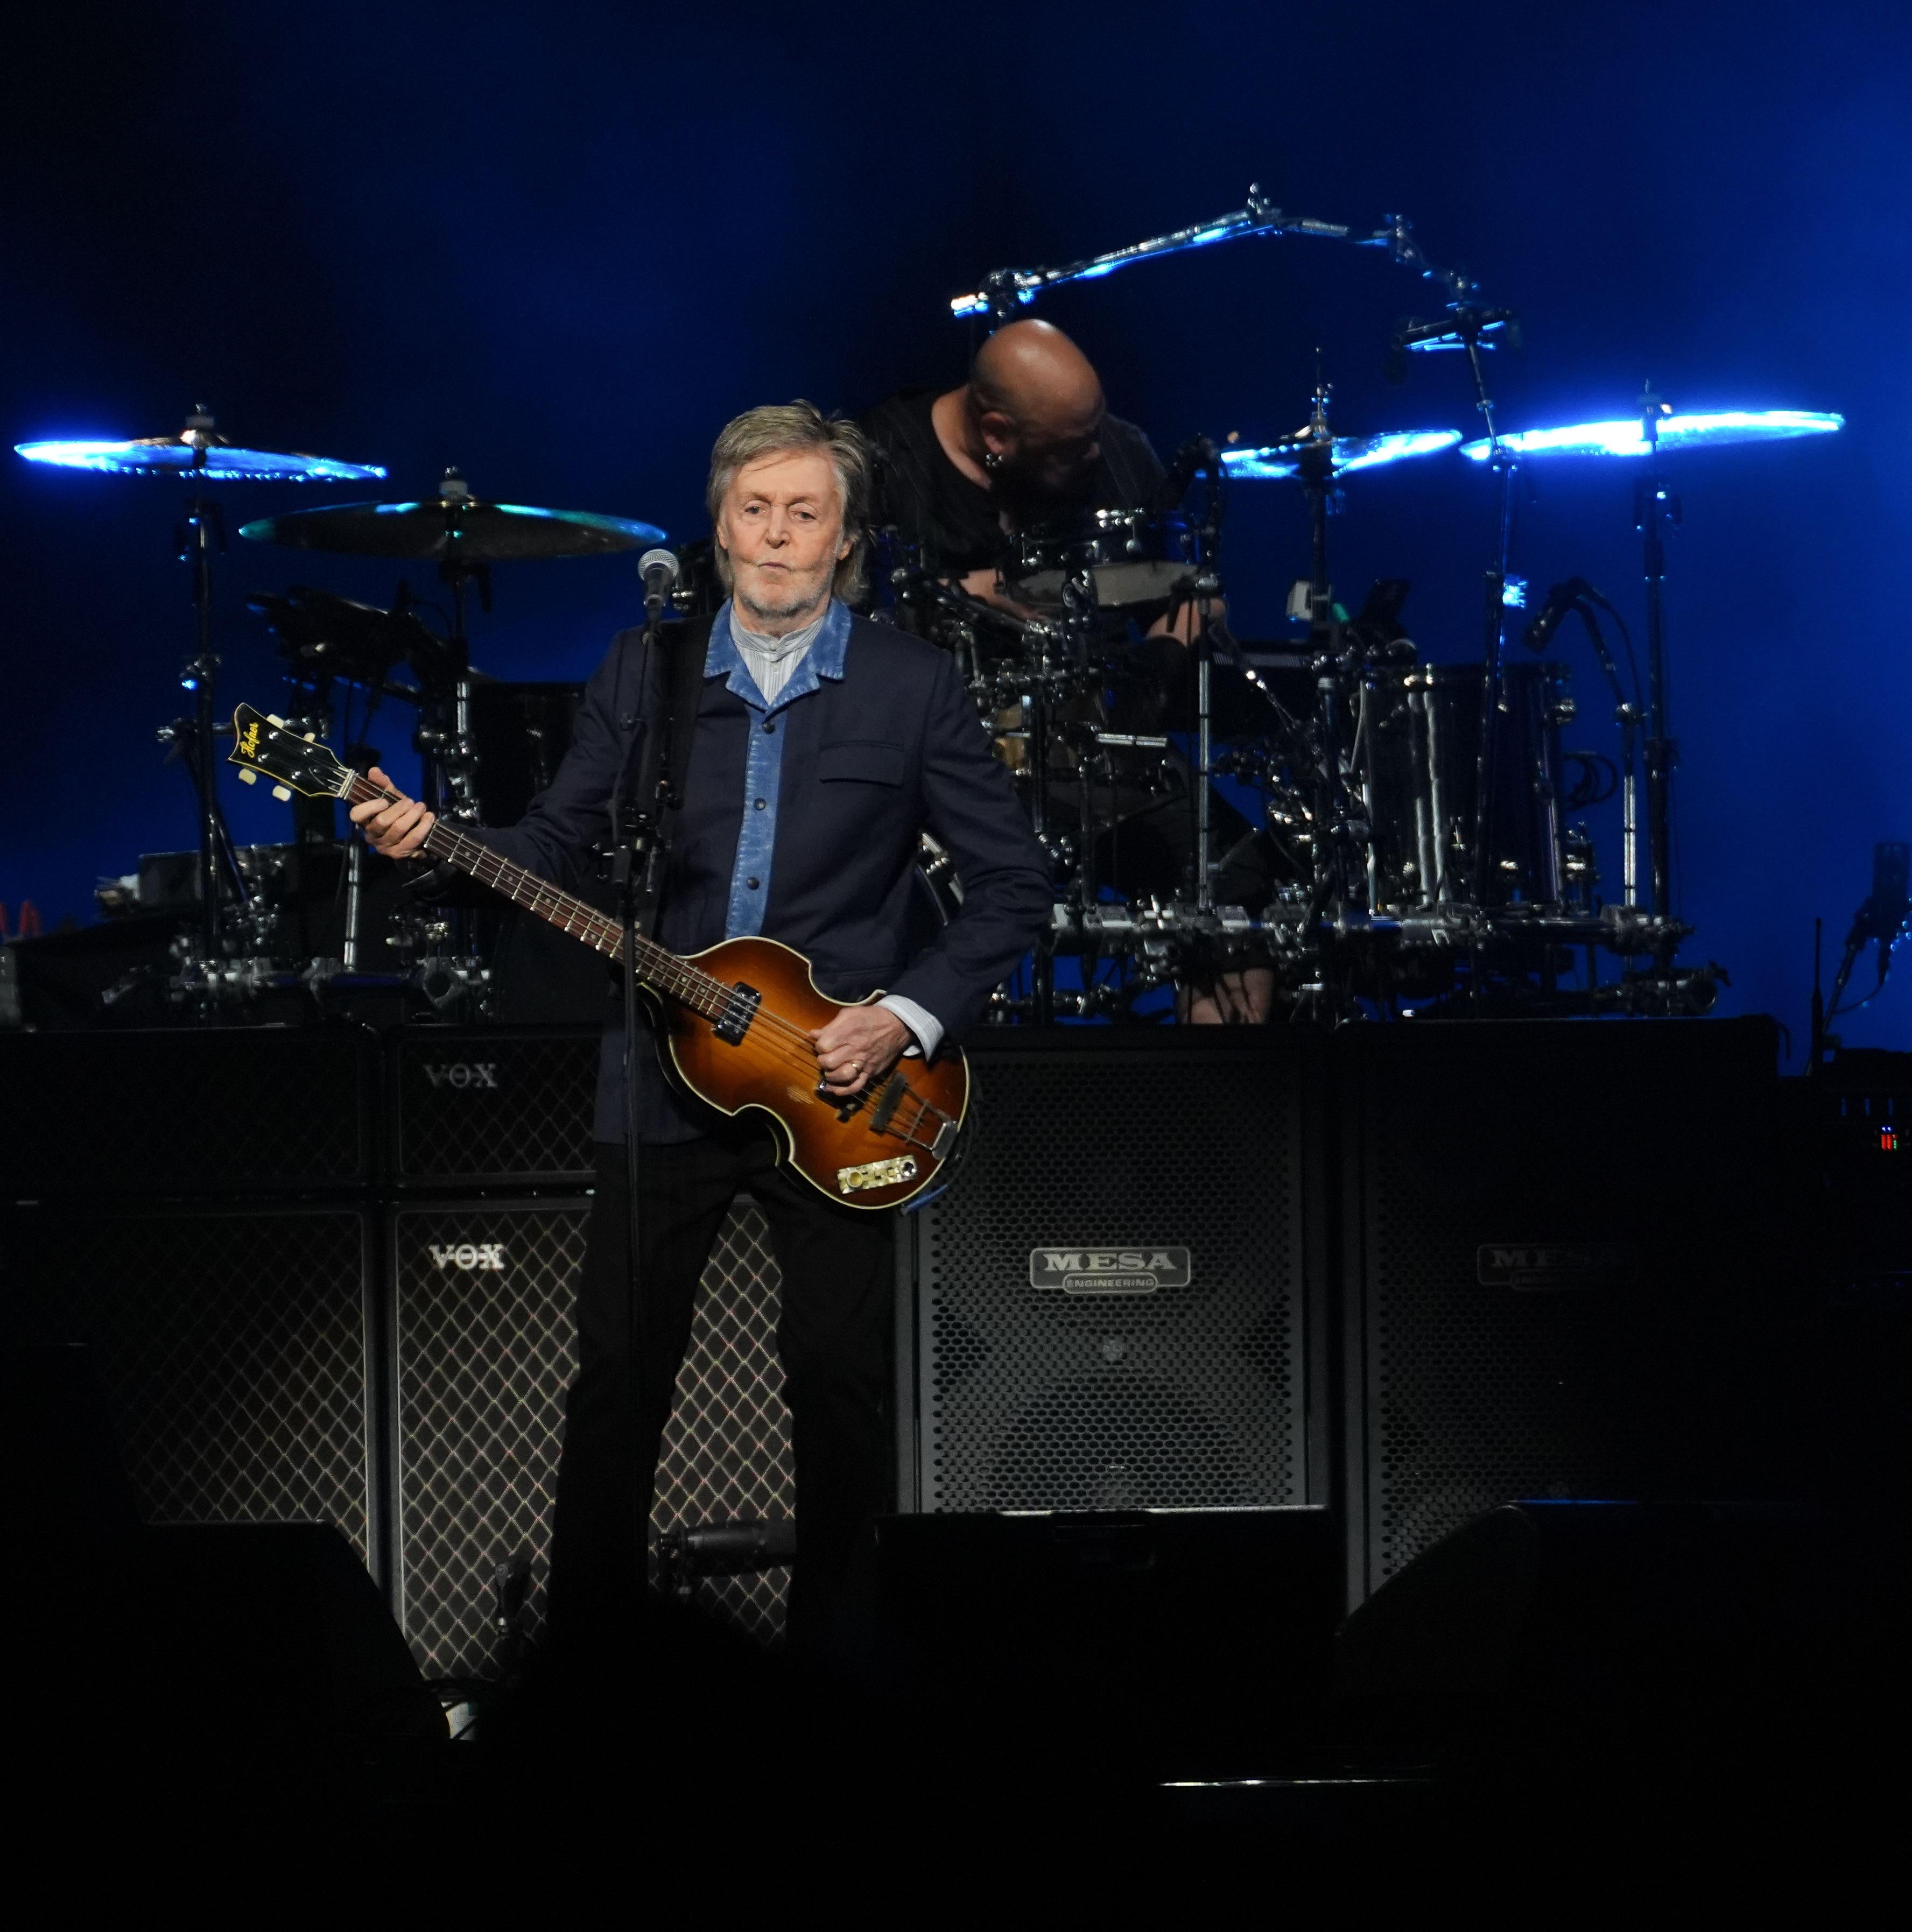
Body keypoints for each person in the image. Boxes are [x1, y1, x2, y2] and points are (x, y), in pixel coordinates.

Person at [351, 402, 1050, 1656]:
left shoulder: (910, 681)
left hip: (840, 1087)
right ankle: (590, 1666)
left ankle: (836, 1662)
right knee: (616, 1386)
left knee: (837, 1388)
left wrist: (898, 1019)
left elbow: (1012, 888)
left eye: (804, 515)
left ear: (845, 541)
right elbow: (555, 850)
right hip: (658, 1075)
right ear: (717, 528)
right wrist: (435, 844)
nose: (776, 539)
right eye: (753, 512)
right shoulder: (644, 668)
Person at [858, 318, 1282, 1021]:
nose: (1094, 451)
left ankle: (1216, 1106)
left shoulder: (1114, 452)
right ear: (995, 434)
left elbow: (1192, 593)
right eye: (1071, 444)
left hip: (1088, 745)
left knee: (1233, 881)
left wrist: (1154, 673)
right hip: (936, 761)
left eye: (1095, 428)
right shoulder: (882, 460)